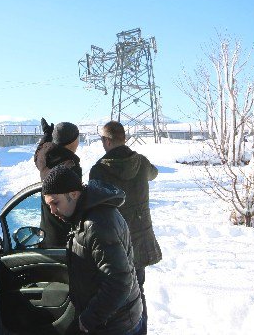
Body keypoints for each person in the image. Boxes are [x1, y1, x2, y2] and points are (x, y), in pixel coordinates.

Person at [42, 165, 143, 335]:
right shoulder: (83, 216)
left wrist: (88, 319)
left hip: (116, 325)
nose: (52, 211)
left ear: (74, 194)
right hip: (109, 320)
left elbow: (119, 282)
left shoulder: (97, 224)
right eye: (49, 205)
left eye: (55, 203)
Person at [89, 121, 161, 335]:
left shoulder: (99, 170)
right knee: (139, 292)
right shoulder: (141, 162)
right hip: (141, 241)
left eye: (103, 140)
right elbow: (154, 174)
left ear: (107, 141)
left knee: (117, 296)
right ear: (125, 138)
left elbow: (94, 206)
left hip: (115, 242)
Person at [34, 118, 81, 247]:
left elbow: (38, 154)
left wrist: (47, 136)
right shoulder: (70, 167)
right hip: (65, 237)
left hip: (47, 231)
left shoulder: (45, 159)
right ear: (74, 141)